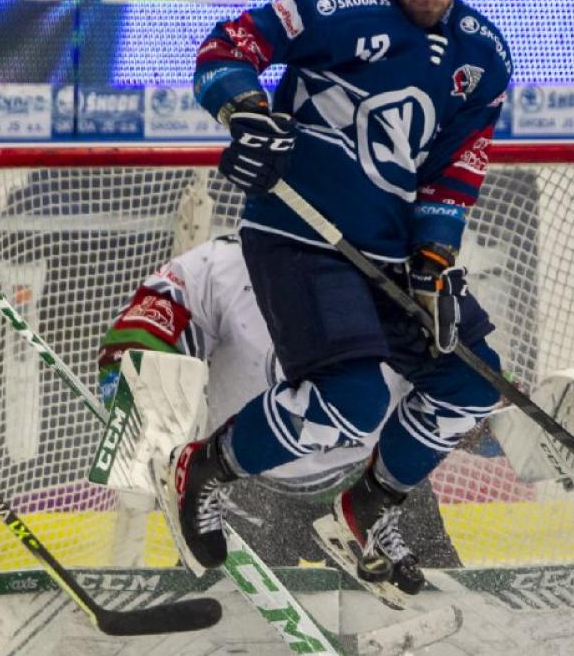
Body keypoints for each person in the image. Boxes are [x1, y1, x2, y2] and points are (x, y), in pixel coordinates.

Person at [154, 0, 513, 605]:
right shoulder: (330, 1)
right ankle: (204, 470)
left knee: (472, 382)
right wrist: (246, 111)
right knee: (350, 398)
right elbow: (227, 48)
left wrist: (433, 262)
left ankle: (368, 508)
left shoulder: (483, 56)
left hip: (392, 253)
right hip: (300, 234)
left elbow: (453, 174)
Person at [100, 235, 463, 568]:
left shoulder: (409, 278)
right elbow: (136, 338)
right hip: (235, 487)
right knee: (215, 615)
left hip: (375, 489)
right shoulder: (222, 267)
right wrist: (140, 407)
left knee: (453, 610)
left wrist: (479, 419)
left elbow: (456, 385)